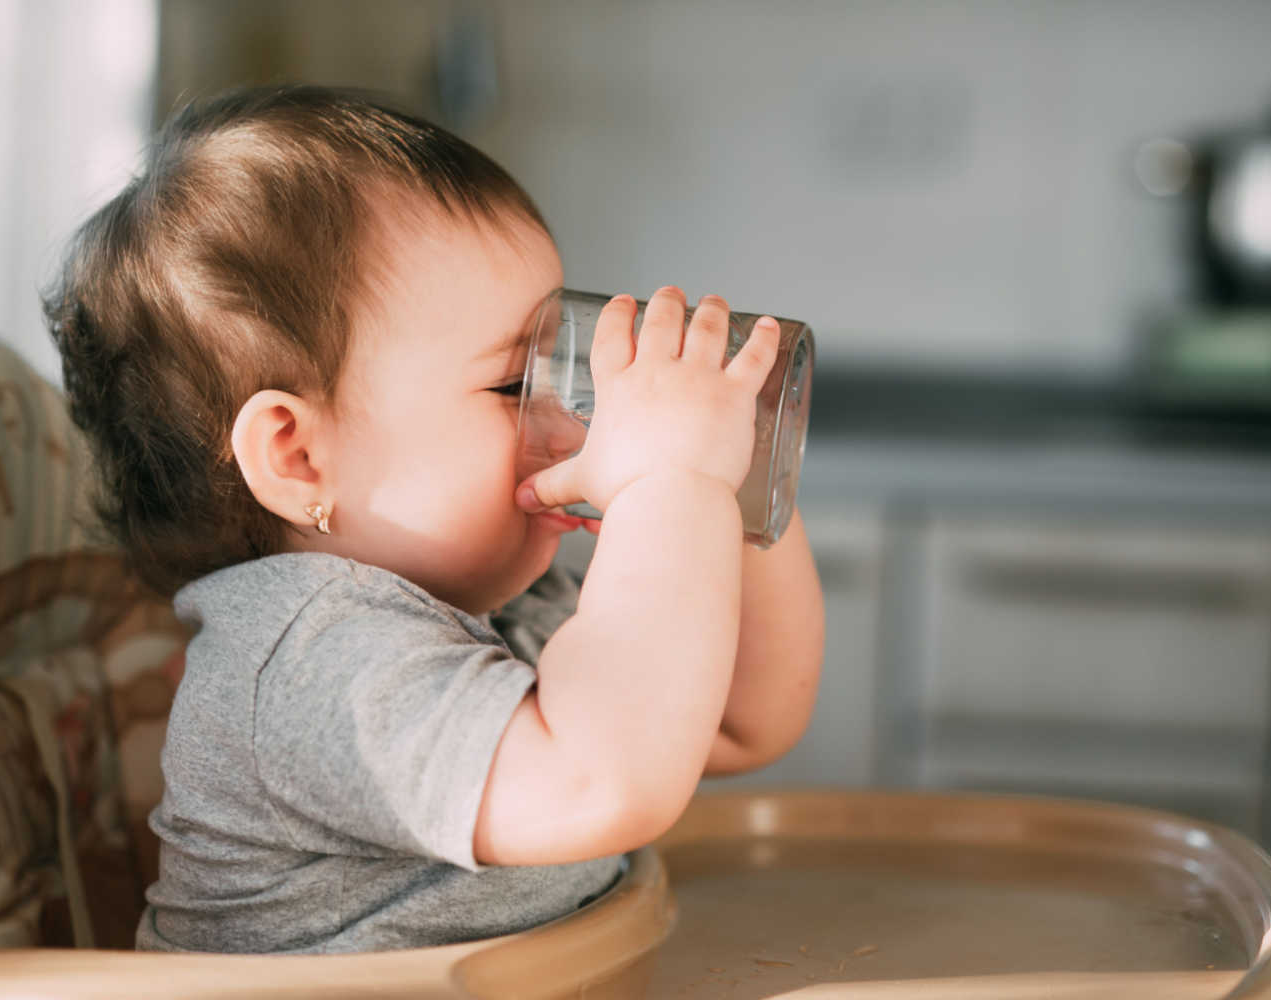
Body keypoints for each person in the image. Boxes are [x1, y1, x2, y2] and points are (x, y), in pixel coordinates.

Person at [43, 84, 824, 955]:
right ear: (297, 457)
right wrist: (671, 480)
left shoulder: (504, 611)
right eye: (513, 385)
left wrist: (729, 477)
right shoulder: (308, 665)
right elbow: (598, 782)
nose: (569, 418)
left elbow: (745, 718)